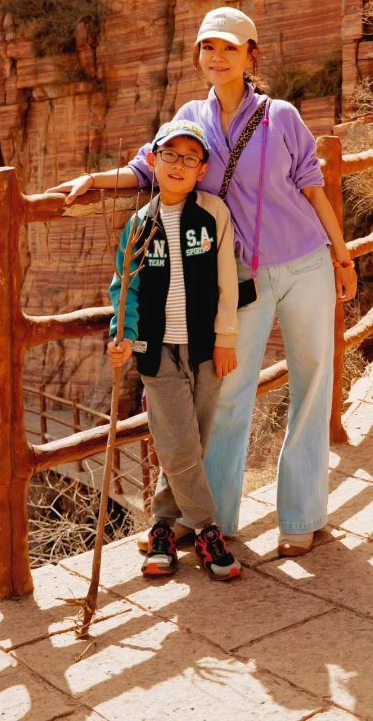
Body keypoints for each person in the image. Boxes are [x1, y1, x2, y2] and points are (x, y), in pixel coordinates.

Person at [51, 5, 357, 558]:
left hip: (307, 261)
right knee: (230, 392)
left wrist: (342, 257)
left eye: (230, 48)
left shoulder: (281, 116)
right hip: (242, 275)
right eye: (208, 47)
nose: (217, 57)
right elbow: (149, 167)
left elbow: (313, 188)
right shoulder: (192, 116)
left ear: (251, 55)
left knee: (312, 384)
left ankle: (302, 517)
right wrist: (93, 179)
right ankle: (212, 518)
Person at [106, 118, 242, 581]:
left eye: (189, 158)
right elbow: (124, 288)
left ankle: (162, 527)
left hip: (205, 349)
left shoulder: (212, 214)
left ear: (202, 169)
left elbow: (228, 280)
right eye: (170, 155)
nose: (179, 165)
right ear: (153, 160)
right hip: (156, 351)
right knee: (181, 444)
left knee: (190, 443)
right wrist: (120, 335)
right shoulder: (139, 226)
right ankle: (206, 529)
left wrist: (225, 338)